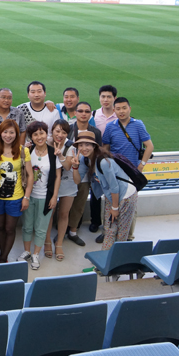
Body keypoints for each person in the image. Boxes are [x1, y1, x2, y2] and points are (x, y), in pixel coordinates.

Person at [101, 97, 153, 243]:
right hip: (115, 171)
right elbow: (106, 148)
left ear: (130, 109)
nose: (121, 111)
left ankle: (128, 236)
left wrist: (141, 165)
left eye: (124, 108)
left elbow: (149, 146)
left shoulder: (138, 125)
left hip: (132, 171)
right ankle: (109, 231)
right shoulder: (110, 126)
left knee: (130, 204)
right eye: (118, 109)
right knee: (111, 200)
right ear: (114, 110)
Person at [75, 131, 138, 250]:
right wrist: (75, 167)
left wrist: (115, 208)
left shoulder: (103, 161)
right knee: (109, 229)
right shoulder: (85, 160)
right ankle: (106, 257)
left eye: (87, 144)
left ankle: (117, 259)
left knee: (121, 233)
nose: (84, 148)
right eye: (81, 145)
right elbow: (77, 180)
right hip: (112, 196)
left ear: (94, 146)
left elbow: (114, 186)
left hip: (126, 195)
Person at [17, 121, 61, 270]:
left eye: (42, 133)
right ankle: (27, 251)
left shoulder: (53, 152)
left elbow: (58, 177)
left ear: (46, 134)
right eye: (35, 134)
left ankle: (36, 254)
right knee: (27, 226)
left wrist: (54, 196)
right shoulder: (28, 151)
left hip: (45, 196)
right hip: (28, 196)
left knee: (41, 228)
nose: (39, 137)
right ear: (31, 137)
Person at [0, 119, 33, 264]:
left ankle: (4, 258)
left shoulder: (23, 151)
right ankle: (1, 255)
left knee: (10, 228)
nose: (8, 136)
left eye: (11, 132)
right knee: (0, 227)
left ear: (16, 134)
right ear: (0, 133)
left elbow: (30, 175)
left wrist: (26, 197)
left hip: (15, 197)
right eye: (5, 132)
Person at [67, 101, 104, 241]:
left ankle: (74, 229)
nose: (83, 114)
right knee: (66, 203)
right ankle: (65, 228)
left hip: (86, 172)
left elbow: (98, 152)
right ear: (75, 113)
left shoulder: (95, 132)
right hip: (67, 171)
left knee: (80, 202)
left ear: (90, 114)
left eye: (87, 111)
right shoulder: (69, 129)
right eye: (80, 111)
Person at [44, 119, 77, 262]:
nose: (60, 135)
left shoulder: (70, 146)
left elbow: (68, 166)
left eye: (64, 132)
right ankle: (47, 242)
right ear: (52, 131)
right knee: (49, 213)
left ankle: (59, 244)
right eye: (57, 131)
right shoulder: (45, 142)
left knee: (64, 214)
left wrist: (60, 155)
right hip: (50, 183)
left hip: (67, 183)